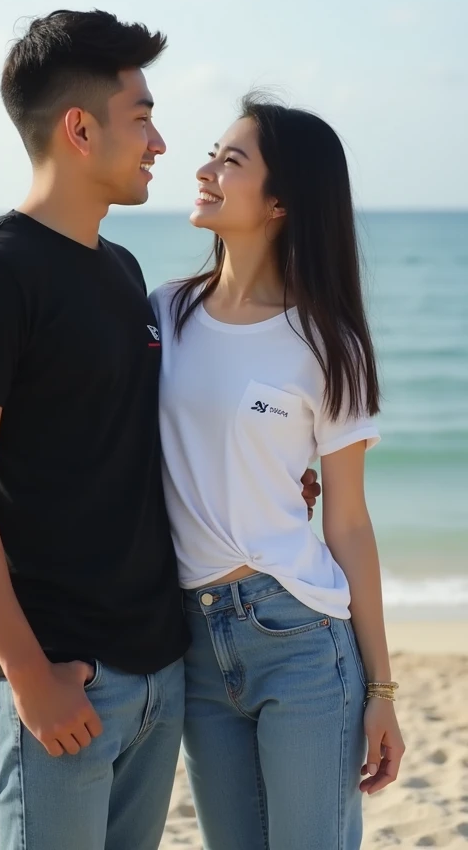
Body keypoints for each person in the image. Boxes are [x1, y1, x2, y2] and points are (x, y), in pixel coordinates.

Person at [0, 10, 320, 850]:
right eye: (141, 118)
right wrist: (29, 675)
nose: (162, 143)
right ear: (79, 128)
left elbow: (148, 435)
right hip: (59, 681)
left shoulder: (122, 272)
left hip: (159, 672)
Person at [150, 95, 406, 850]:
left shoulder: (329, 346)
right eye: (212, 154)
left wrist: (383, 691)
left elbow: (349, 523)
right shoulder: (163, 313)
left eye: (231, 161)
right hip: (192, 640)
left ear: (282, 203)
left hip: (299, 637)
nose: (203, 171)